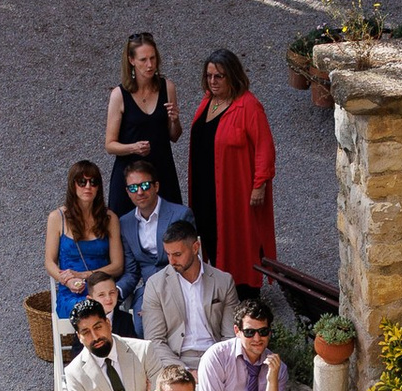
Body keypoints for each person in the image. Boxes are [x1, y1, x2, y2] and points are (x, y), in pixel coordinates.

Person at [195, 48, 276, 290]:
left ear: (232, 75)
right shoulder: (208, 101)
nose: (213, 81)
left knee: (240, 235)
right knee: (209, 231)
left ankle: (244, 287)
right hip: (206, 184)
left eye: (219, 76)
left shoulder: (248, 106)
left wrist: (259, 184)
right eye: (209, 76)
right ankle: (217, 282)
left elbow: (265, 147)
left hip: (235, 187)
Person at [138, 219, 241, 364]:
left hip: (217, 358)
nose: (171, 261)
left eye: (177, 254)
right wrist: (184, 371)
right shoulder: (155, 285)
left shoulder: (223, 281)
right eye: (168, 254)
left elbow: (230, 336)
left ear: (195, 247)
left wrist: (215, 368)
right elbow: (154, 340)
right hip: (174, 361)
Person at [45, 158, 121, 350]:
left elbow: (117, 265)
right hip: (71, 289)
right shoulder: (57, 218)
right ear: (73, 185)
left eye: (93, 182)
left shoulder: (109, 218)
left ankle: (100, 355)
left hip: (101, 287)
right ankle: (90, 356)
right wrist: (67, 280)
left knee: (103, 305)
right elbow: (49, 262)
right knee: (87, 310)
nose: (88, 186)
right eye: (82, 182)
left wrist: (85, 275)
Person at [104, 29, 181, 211]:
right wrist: (134, 148)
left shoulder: (167, 88)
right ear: (131, 61)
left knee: (171, 224)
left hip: (161, 171)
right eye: (143, 60)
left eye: (153, 58)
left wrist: (175, 120)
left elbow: (174, 136)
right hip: (131, 175)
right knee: (125, 225)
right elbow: (110, 145)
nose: (150, 65)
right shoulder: (119, 95)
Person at [114, 157, 186, 310]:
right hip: (148, 292)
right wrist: (116, 291)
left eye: (145, 185)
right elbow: (131, 272)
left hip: (181, 287)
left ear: (156, 186)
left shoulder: (180, 215)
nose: (140, 192)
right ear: (127, 192)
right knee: (141, 319)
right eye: (133, 188)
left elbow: (188, 261)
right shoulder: (125, 223)